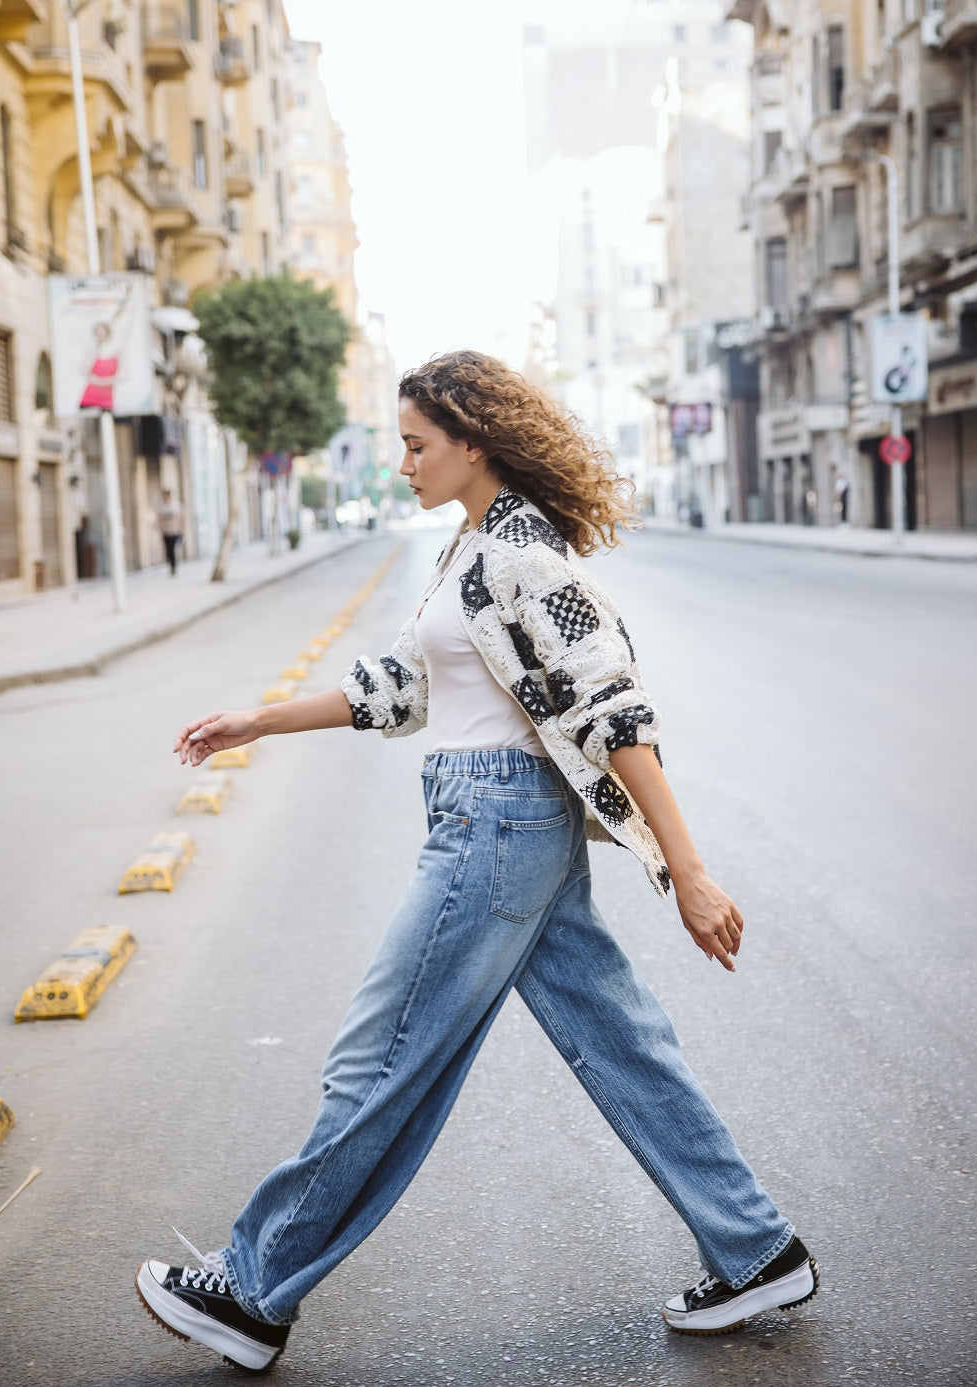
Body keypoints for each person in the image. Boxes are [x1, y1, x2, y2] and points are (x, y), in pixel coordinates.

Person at [135, 351, 818, 1372]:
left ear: (472, 441)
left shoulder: (522, 558)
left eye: (416, 445)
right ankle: (756, 1249)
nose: (401, 461)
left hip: (495, 830)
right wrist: (259, 722)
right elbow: (398, 688)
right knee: (621, 1045)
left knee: (378, 1058)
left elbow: (614, 711)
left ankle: (249, 1284)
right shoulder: (469, 550)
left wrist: (687, 869)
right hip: (500, 827)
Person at [156, 489, 183, 575]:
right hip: (166, 531)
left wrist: (181, 529)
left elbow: (181, 518)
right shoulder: (162, 506)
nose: (166, 497)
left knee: (173, 548)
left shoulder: (176, 505)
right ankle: (172, 563)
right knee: (168, 550)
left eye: (167, 495)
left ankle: (174, 566)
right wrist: (160, 528)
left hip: (175, 531)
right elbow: (159, 518)